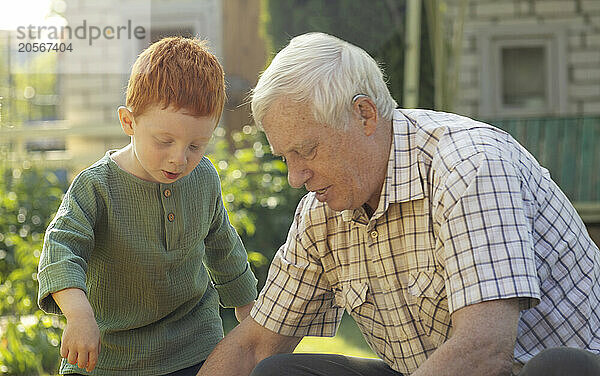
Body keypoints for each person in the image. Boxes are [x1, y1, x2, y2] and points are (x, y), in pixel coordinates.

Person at [197, 32, 600, 376]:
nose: (295, 177)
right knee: (277, 371)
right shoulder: (323, 212)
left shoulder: (469, 165)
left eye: (307, 150)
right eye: (286, 158)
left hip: (530, 368)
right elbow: (254, 346)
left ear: (365, 115)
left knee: (558, 367)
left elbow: (486, 349)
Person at [37, 37, 258, 376]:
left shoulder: (204, 178)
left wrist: (250, 317)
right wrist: (80, 316)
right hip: (107, 355)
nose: (179, 158)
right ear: (129, 122)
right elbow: (61, 249)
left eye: (197, 145)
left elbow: (223, 247)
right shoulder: (96, 187)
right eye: (164, 141)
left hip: (194, 347)